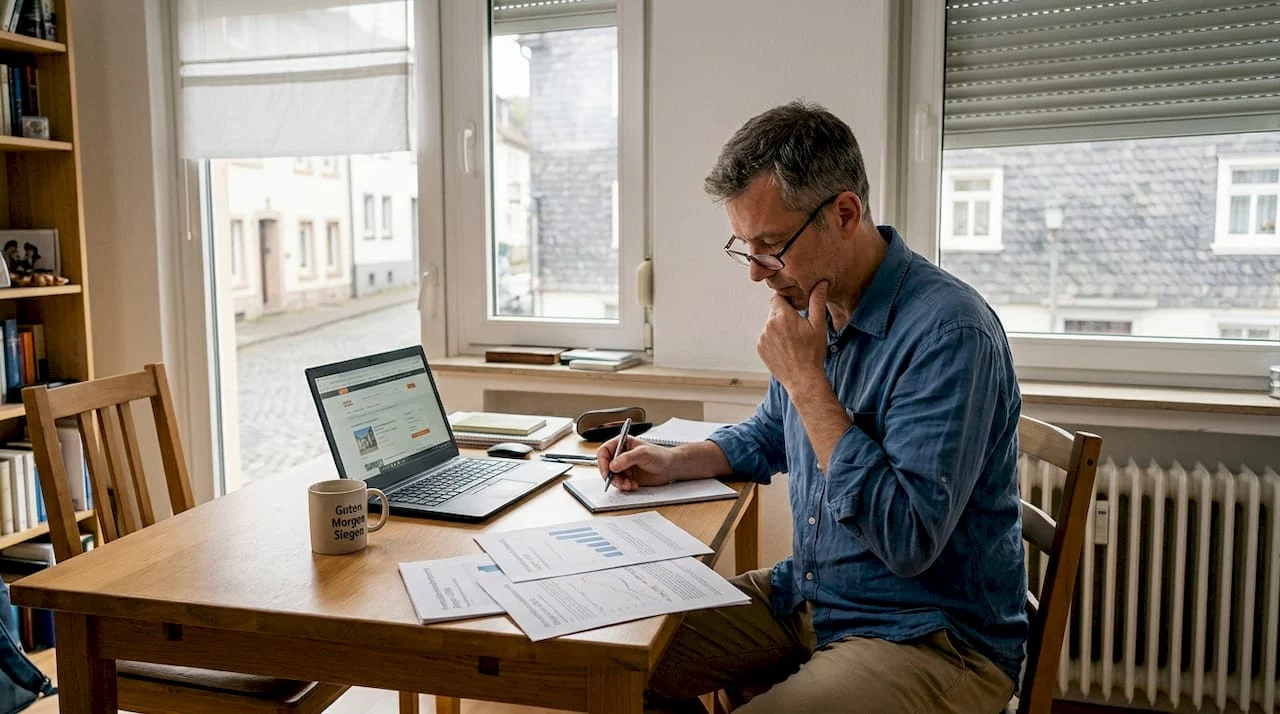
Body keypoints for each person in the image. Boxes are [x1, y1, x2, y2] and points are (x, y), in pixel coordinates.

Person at [597, 101, 1026, 713]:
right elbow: (774, 433)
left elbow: (908, 539)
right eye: (745, 247)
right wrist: (673, 461)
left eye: (771, 246)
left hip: (931, 638)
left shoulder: (950, 334)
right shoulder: (814, 308)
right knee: (613, 656)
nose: (756, 274)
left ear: (844, 214)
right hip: (812, 596)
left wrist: (807, 383)